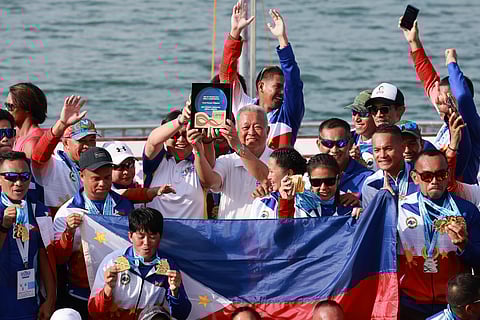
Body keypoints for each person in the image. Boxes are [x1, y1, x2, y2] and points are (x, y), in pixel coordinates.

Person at [53, 147, 134, 319]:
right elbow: (59, 258)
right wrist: (68, 232)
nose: (103, 184)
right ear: (82, 176)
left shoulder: (125, 206)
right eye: (96, 179)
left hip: (119, 293)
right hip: (81, 293)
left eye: (107, 177)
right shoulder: (66, 212)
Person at [397, 150, 480, 319]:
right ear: (415, 177)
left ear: (448, 175)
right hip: (410, 303)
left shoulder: (466, 211)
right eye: (427, 176)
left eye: (441, 174)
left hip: (452, 306)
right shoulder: (398, 209)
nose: (434, 181)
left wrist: (464, 245)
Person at [400, 19, 480, 184]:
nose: (439, 101)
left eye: (448, 98)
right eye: (440, 98)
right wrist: (414, 42)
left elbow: (463, 98)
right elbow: (428, 79)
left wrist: (452, 63)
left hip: (462, 191)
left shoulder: (472, 124)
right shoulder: (447, 119)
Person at [219, 1, 304, 149]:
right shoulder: (242, 106)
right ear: (261, 86)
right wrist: (234, 33)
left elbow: (294, 83)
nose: (283, 92)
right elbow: (227, 75)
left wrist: (282, 40)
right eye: (278, 87)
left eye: (284, 88)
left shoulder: (289, 114)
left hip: (275, 171)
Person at [88, 207, 192, 319]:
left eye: (152, 237)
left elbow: (181, 315)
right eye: (141, 237)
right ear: (130, 236)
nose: (146, 243)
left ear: (160, 237)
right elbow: (94, 312)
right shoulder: (112, 262)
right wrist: (108, 288)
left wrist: (175, 292)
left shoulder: (168, 266)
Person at [0, 152, 55, 320]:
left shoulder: (40, 210)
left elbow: (46, 257)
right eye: (11, 176)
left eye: (24, 176)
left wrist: (50, 301)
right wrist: (4, 227)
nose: (18, 183)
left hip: (30, 305)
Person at [193, 105, 272, 219]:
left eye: (257, 127)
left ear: (268, 130)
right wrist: (198, 150)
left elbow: (268, 179)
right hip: (230, 234)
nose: (251, 132)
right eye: (245, 127)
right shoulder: (227, 161)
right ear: (237, 131)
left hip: (263, 234)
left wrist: (238, 147)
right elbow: (209, 183)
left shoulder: (278, 159)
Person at [143, 101, 214, 219]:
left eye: (186, 135)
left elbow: (209, 170)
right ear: (165, 138)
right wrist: (181, 120)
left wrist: (206, 140)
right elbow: (152, 141)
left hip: (194, 235)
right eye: (174, 135)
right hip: (155, 236)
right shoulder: (155, 162)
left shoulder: (199, 162)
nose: (181, 140)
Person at [31, 117, 99, 214]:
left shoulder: (95, 166)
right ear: (66, 143)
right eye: (81, 141)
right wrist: (61, 124)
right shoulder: (54, 165)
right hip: (58, 226)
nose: (87, 146)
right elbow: (38, 157)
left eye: (92, 140)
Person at [250, 148, 322, 218]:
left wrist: (286, 202)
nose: (268, 177)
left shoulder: (309, 203)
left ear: (289, 173)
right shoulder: (262, 201)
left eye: (271, 172)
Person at [316, 118, 373, 203]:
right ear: (318, 144)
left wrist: (361, 203)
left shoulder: (368, 179)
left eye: (341, 143)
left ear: (350, 144)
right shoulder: (307, 176)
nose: (334, 149)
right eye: (328, 143)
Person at [361, 125, 417, 209]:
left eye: (388, 149)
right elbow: (372, 220)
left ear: (402, 148)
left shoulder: (420, 177)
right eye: (377, 150)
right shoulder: (370, 184)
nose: (382, 155)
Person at [5, 83, 48, 157]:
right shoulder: (14, 134)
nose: (6, 110)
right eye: (6, 105)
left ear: (27, 108)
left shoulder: (32, 143)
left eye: (10, 106)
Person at [344, 90, 377, 169]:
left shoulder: (386, 142)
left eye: (363, 114)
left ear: (376, 115)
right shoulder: (348, 137)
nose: (356, 119)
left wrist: (360, 164)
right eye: (354, 112)